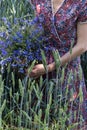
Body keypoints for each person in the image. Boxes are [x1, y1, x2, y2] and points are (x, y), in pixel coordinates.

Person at [29, 0, 87, 129]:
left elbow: (83, 46)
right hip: (40, 65)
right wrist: (24, 57)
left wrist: (50, 67)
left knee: (70, 118)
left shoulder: (81, 3)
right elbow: (34, 32)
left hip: (68, 67)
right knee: (41, 118)